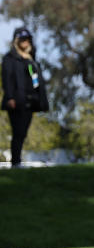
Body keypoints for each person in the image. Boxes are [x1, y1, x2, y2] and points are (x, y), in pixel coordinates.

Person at [1, 27, 49, 166]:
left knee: (23, 133)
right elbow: (7, 80)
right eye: (22, 40)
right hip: (16, 101)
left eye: (27, 40)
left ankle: (17, 160)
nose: (26, 42)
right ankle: (16, 162)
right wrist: (10, 97)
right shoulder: (10, 59)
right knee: (18, 131)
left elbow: (35, 80)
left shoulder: (31, 60)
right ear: (16, 41)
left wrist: (39, 97)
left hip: (30, 101)